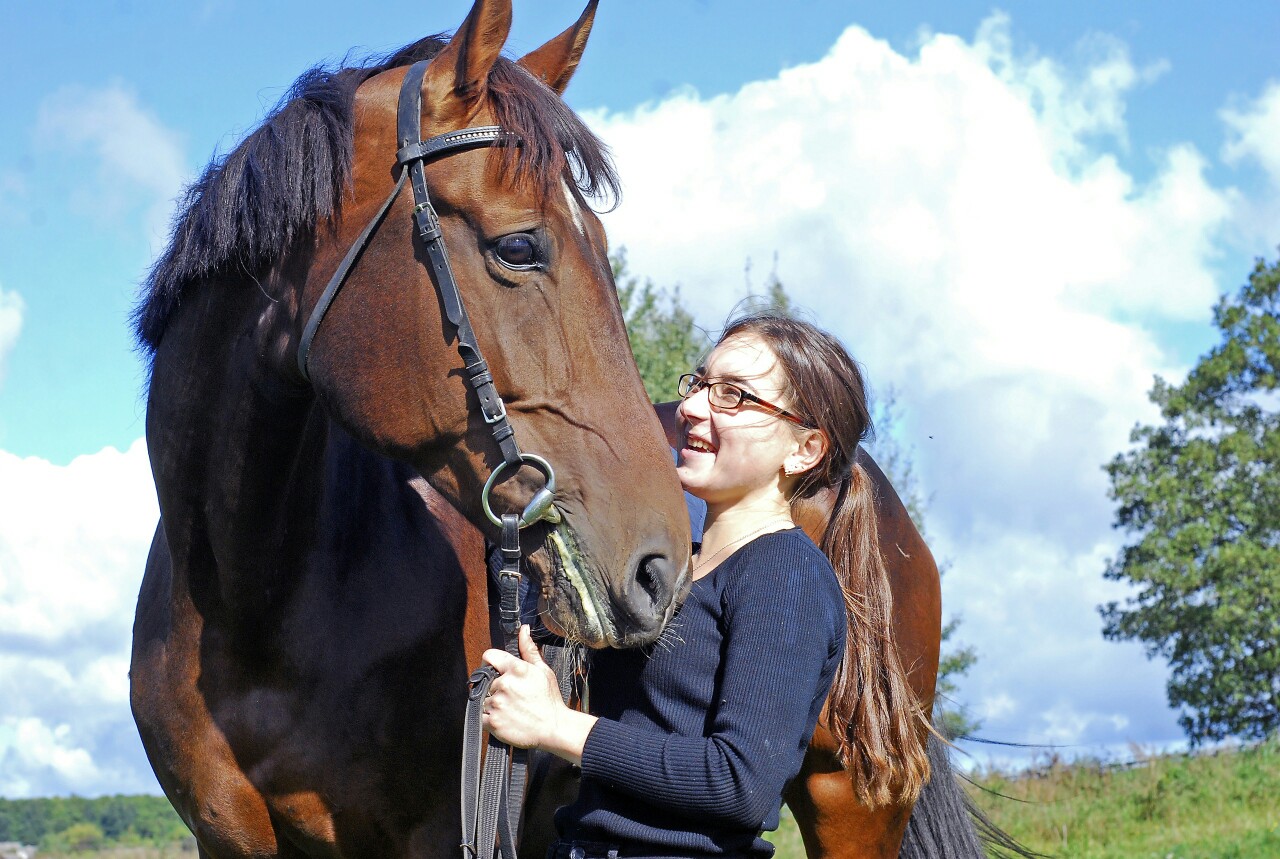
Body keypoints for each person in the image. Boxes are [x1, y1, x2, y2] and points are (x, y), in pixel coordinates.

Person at [481, 312, 928, 859]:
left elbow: (739, 784)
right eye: (700, 385)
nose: (691, 408)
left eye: (734, 396)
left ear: (804, 450)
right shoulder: (680, 570)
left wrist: (559, 727)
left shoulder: (783, 576)